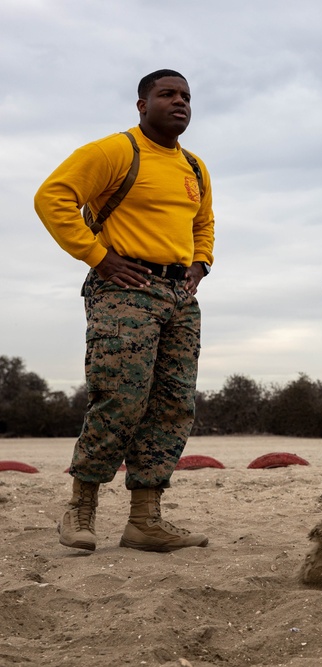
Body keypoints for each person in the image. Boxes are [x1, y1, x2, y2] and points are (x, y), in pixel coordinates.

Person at [35, 69, 215, 553]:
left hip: (179, 298)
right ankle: (80, 509)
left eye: (186, 96)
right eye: (167, 94)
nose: (180, 102)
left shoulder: (194, 167)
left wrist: (201, 265)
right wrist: (98, 256)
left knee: (174, 404)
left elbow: (203, 223)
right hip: (124, 289)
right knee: (120, 399)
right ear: (142, 105)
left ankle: (145, 520)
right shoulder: (116, 151)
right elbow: (52, 197)